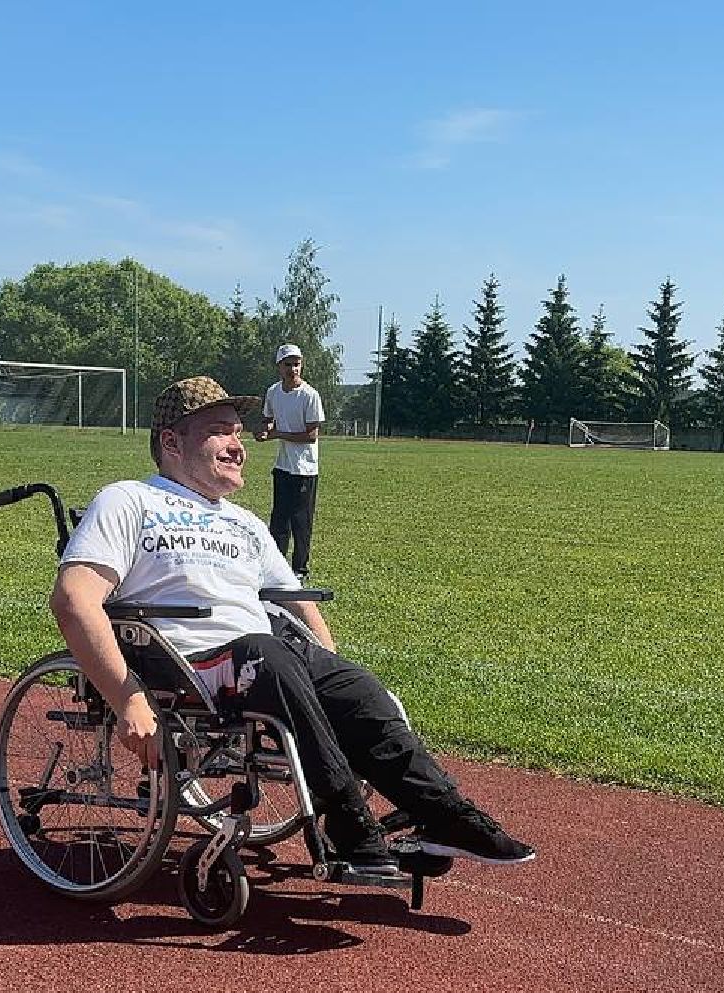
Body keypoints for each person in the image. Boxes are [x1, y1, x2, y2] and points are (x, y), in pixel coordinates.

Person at [49, 375, 534, 877]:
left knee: (359, 690)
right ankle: (346, 825)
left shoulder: (243, 522)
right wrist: (127, 698)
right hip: (187, 660)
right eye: (220, 432)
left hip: (264, 654)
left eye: (239, 433)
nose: (239, 446)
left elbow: (296, 599)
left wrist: (331, 664)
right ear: (171, 441)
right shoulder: (128, 500)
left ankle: (446, 816)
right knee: (269, 655)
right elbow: (73, 599)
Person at [255, 343, 324, 580]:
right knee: (279, 519)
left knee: (301, 521)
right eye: (288, 364)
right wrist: (263, 431)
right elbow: (268, 419)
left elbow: (311, 435)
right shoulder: (273, 392)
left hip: (304, 468)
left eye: (296, 364)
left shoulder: (310, 395)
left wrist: (277, 434)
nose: (293, 369)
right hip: (283, 466)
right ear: (279, 367)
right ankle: (276, 567)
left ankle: (300, 569)